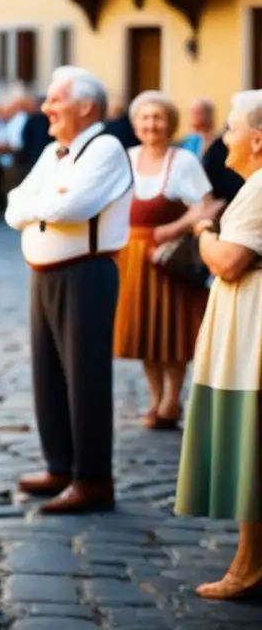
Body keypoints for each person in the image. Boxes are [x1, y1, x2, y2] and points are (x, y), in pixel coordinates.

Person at [5, 66, 134, 514]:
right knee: (49, 374)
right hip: (44, 271)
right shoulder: (54, 152)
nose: (46, 108)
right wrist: (46, 205)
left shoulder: (106, 149)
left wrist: (41, 205)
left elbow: (74, 206)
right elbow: (12, 205)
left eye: (55, 100)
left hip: (86, 272)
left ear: (86, 107)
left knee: (86, 377)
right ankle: (59, 464)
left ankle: (93, 479)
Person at [175, 89, 262, 600]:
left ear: (256, 140)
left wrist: (205, 233)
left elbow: (230, 261)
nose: (224, 136)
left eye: (231, 128)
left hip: (253, 327)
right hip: (246, 319)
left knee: (252, 438)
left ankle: (249, 567)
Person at [113, 91, 214, 429]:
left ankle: (173, 398)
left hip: (170, 259)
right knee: (145, 334)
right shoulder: (126, 158)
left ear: (170, 123)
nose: (151, 124)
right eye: (144, 118)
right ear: (135, 124)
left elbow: (206, 205)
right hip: (132, 256)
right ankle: (154, 398)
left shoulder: (183, 161)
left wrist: (174, 227)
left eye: (157, 118)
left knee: (172, 332)